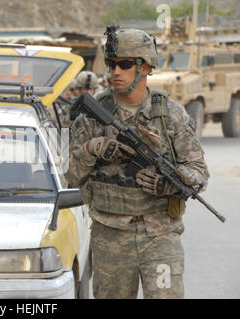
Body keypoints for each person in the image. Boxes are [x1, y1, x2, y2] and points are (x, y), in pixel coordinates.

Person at [65, 26, 209, 299]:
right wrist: (93, 147)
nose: (115, 72)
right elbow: (71, 176)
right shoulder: (93, 116)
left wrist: (168, 183)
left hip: (160, 234)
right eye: (111, 64)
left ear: (144, 68)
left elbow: (199, 173)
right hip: (110, 235)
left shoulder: (171, 116)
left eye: (125, 65)